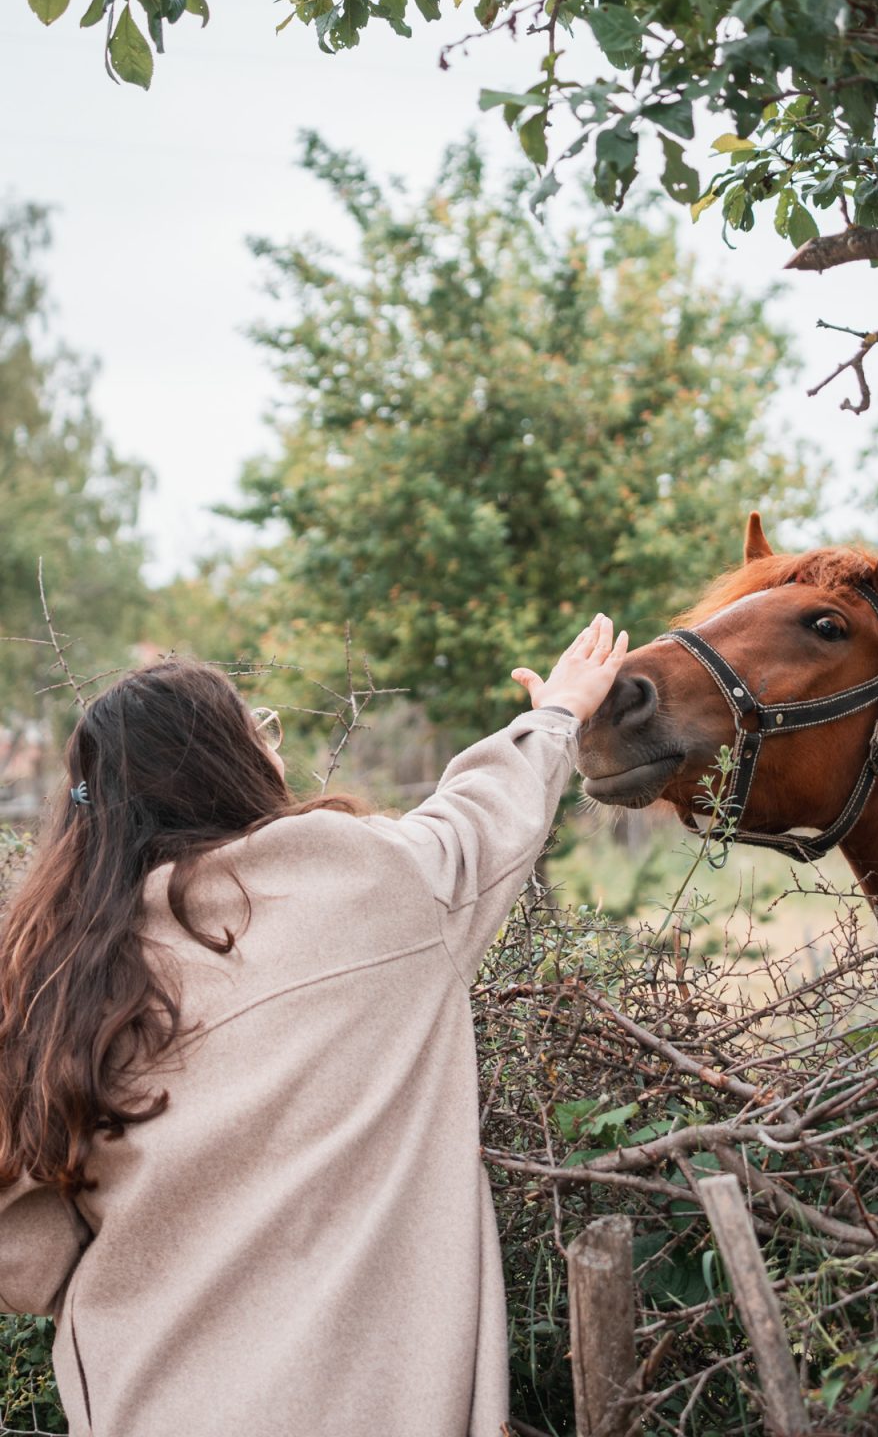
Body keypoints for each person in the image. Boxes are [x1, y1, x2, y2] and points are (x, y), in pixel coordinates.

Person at [0, 613, 628, 1437]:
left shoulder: (58, 978)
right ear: (231, 761)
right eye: (257, 729)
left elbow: (25, 1260)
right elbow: (482, 818)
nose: (273, 745)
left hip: (150, 1401)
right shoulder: (373, 882)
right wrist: (556, 717)